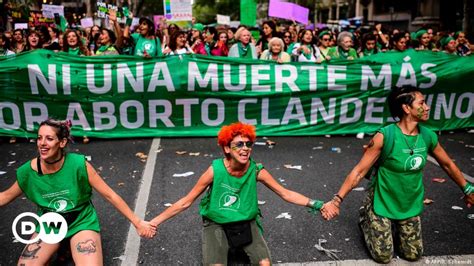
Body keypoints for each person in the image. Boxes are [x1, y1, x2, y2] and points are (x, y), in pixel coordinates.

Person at [322, 86, 474, 264]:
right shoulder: (385, 136)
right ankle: (367, 218)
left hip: (408, 203)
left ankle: (395, 224)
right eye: (422, 103)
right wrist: (337, 200)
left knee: (413, 254)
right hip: (382, 200)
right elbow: (359, 171)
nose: (427, 107)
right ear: (406, 108)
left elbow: (447, 164)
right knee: (383, 256)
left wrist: (468, 189)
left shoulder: (428, 136)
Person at [149, 122, 326, 265]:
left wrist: (318, 205)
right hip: (216, 222)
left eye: (248, 144)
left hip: (246, 222)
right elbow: (186, 202)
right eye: (239, 144)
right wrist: (153, 223)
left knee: (265, 264)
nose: (245, 148)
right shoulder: (215, 170)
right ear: (227, 148)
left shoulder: (256, 170)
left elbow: (285, 193)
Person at [0, 119, 156, 264]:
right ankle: (62, 245)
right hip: (50, 224)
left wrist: (138, 222)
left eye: (49, 138)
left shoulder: (79, 165)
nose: (42, 143)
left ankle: (67, 244)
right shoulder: (28, 172)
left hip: (80, 221)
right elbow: (5, 196)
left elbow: (110, 194)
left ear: (62, 142)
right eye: (39, 138)